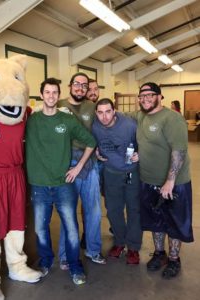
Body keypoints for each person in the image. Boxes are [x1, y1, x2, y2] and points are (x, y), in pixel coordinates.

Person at [26, 77, 96, 285]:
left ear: (59, 95)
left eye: (54, 93)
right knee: (40, 228)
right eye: (47, 92)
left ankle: (75, 266)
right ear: (41, 95)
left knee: (72, 228)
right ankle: (46, 261)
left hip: (64, 184)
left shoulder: (67, 120)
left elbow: (91, 142)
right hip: (39, 185)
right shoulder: (32, 120)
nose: (50, 96)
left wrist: (78, 166)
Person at [133, 82, 193, 279]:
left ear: (160, 96)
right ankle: (159, 253)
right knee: (155, 221)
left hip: (174, 183)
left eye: (150, 95)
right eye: (142, 96)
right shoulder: (141, 115)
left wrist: (170, 180)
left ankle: (174, 259)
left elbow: (179, 150)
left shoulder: (172, 118)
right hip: (148, 180)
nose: (146, 99)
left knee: (174, 222)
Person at [57, 73, 105, 266]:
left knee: (93, 211)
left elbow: (103, 128)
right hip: (65, 163)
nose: (80, 88)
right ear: (70, 86)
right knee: (67, 212)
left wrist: (103, 147)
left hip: (89, 162)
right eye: (77, 84)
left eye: (84, 86)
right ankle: (66, 255)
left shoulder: (92, 107)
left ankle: (93, 250)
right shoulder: (58, 104)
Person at [92, 98, 142, 264]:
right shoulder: (95, 126)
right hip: (111, 173)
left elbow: (145, 143)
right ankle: (120, 242)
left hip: (130, 173)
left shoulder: (129, 125)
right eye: (100, 112)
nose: (104, 117)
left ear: (114, 111)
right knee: (113, 209)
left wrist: (140, 154)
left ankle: (133, 247)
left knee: (134, 209)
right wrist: (96, 154)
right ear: (96, 113)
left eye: (108, 111)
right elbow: (90, 144)